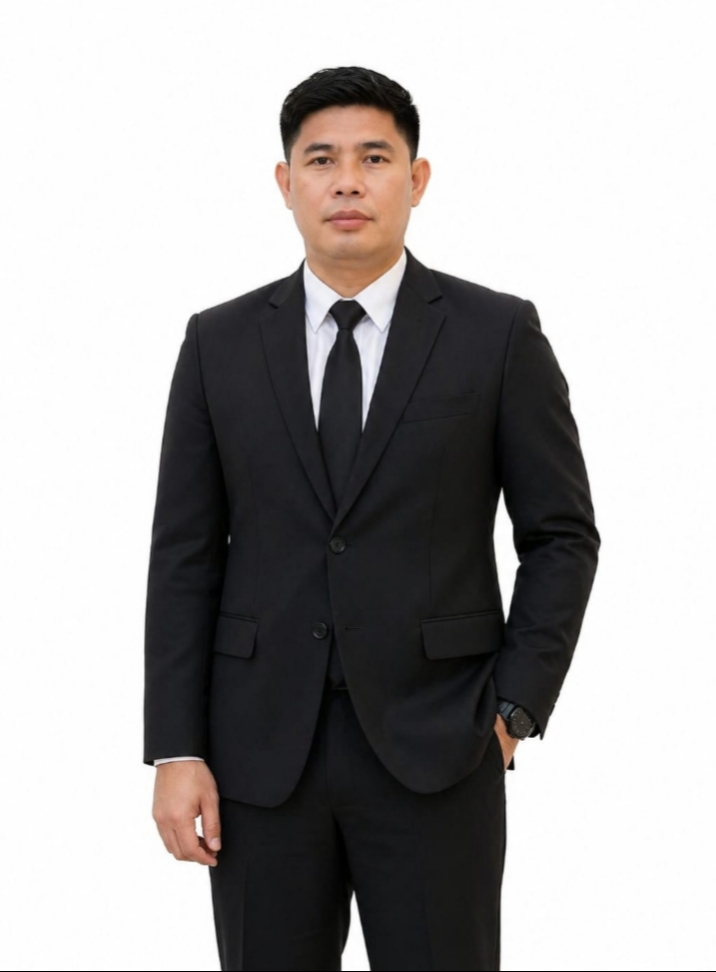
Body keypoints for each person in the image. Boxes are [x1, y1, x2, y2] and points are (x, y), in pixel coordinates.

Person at [143, 65, 601, 971]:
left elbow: (562, 537)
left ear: (416, 179)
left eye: (373, 158)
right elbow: (184, 555)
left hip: (442, 749)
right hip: (258, 759)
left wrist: (513, 710)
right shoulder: (217, 343)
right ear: (286, 183)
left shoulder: (496, 335)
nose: (346, 181)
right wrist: (176, 749)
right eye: (321, 160)